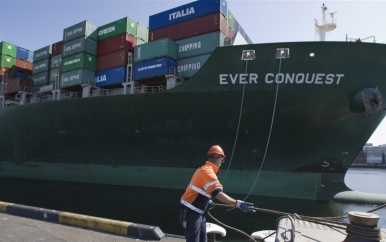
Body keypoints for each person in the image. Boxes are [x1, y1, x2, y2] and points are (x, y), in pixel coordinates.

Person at [179, 145, 255, 242]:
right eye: (222, 160)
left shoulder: (206, 170)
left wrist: (207, 201)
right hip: (191, 213)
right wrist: (238, 203)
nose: (221, 162)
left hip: (198, 213)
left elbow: (202, 190)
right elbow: (217, 193)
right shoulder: (207, 172)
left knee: (203, 239)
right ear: (218, 158)